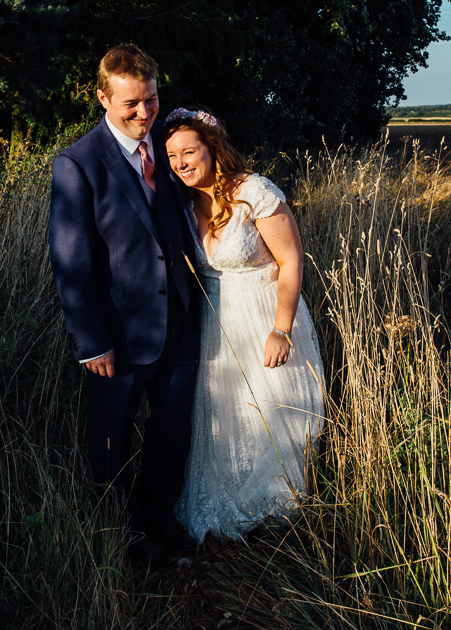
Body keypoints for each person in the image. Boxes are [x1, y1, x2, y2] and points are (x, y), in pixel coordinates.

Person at [49, 46, 200, 567]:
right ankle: (127, 537)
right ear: (103, 98)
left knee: (171, 431)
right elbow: (71, 263)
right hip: (118, 337)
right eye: (131, 104)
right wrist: (92, 342)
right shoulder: (77, 164)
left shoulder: (168, 143)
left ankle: (160, 516)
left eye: (152, 100)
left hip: (179, 328)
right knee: (110, 442)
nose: (143, 113)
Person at [163, 108, 325, 544]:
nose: (181, 163)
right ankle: (229, 507)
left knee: (273, 410)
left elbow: (291, 261)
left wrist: (282, 328)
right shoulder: (184, 202)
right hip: (217, 323)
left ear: (212, 150)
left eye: (190, 152)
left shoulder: (255, 192)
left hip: (265, 316)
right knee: (226, 414)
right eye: (173, 155)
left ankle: (276, 513)